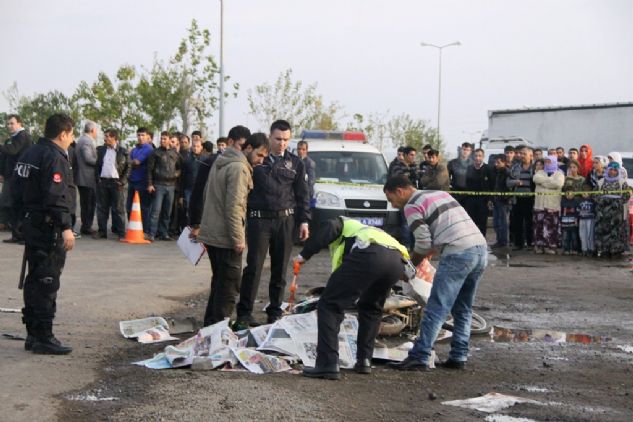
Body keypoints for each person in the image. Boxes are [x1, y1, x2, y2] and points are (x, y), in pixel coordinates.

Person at [383, 176, 487, 371]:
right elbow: (445, 229)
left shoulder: (412, 206)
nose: (393, 205)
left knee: (436, 307)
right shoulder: (440, 194)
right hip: (480, 249)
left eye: (391, 200)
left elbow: (422, 243)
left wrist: (409, 268)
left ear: (400, 191)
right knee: (463, 308)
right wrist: (428, 253)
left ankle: (420, 356)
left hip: (458, 253)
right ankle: (458, 356)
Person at [297, 216, 410, 379]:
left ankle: (327, 364)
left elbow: (330, 226)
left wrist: (303, 255)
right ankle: (364, 360)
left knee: (329, 306)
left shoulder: (342, 223)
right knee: (371, 307)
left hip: (370, 254)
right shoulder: (367, 232)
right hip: (396, 261)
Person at [11, 113, 76, 354]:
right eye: (71, 134)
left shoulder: (29, 153)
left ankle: (33, 334)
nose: (71, 139)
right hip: (48, 228)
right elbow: (55, 196)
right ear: (63, 134)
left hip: (31, 224)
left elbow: (13, 190)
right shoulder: (53, 156)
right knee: (47, 281)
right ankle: (44, 337)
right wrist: (66, 227)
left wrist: (18, 222)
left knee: (34, 280)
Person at [235, 120, 310, 327]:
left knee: (280, 269)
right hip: (259, 220)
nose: (282, 143)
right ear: (270, 137)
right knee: (254, 268)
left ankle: (275, 310)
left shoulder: (296, 163)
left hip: (285, 221)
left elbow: (302, 195)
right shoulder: (256, 159)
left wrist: (304, 221)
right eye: (278, 139)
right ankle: (244, 312)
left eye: (286, 140)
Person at [196, 133, 270, 326]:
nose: (261, 161)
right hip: (225, 237)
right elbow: (235, 206)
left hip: (213, 233)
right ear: (248, 148)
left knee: (219, 284)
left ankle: (211, 327)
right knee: (228, 287)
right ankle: (218, 332)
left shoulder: (222, 161)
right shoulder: (239, 168)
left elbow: (206, 195)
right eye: (259, 155)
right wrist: (238, 238)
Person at [189, 125, 251, 234]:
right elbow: (198, 193)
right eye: (241, 145)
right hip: (213, 224)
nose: (244, 150)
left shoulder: (246, 164)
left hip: (234, 226)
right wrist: (196, 223)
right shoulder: (212, 162)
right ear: (230, 142)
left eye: (246, 147)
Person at [1, 114, 33, 243]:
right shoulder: (12, 138)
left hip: (21, 176)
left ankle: (23, 234)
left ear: (20, 124)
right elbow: (5, 156)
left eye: (12, 123)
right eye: (8, 123)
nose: (9, 126)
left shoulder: (22, 136)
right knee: (12, 205)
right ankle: (16, 234)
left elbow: (13, 151)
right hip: (11, 176)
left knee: (20, 206)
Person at [94, 129, 129, 240]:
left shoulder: (123, 151)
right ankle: (102, 231)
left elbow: (129, 167)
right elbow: (97, 166)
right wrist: (97, 179)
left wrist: (123, 181)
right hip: (103, 182)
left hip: (116, 183)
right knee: (102, 208)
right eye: (105, 136)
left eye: (108, 136)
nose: (105, 138)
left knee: (119, 209)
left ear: (115, 138)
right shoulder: (101, 150)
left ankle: (121, 233)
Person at [146, 131, 182, 241]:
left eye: (165, 139)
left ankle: (164, 233)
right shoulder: (155, 153)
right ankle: (151, 233)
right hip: (158, 185)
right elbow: (149, 170)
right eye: (161, 138)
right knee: (155, 211)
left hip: (171, 186)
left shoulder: (175, 154)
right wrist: (150, 184)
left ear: (170, 140)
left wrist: (175, 174)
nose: (162, 141)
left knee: (167, 211)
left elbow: (180, 168)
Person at [594, 162, 630, 258]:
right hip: (603, 211)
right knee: (604, 230)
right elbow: (594, 194)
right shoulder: (601, 182)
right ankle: (604, 250)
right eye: (611, 169)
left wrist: (618, 202)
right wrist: (601, 201)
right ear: (607, 170)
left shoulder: (622, 182)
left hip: (616, 212)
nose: (612, 172)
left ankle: (616, 250)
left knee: (616, 232)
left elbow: (627, 195)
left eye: (615, 170)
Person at [532, 155, 564, 254]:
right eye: (546, 162)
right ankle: (539, 246)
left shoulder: (559, 174)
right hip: (540, 205)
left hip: (552, 206)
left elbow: (558, 184)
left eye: (549, 162)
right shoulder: (539, 172)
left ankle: (551, 247)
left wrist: (544, 183)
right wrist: (550, 182)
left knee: (552, 227)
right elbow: (536, 179)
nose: (547, 164)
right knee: (539, 226)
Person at [507, 146, 535, 250]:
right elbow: (508, 182)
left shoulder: (535, 168)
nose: (521, 156)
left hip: (531, 199)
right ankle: (518, 244)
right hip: (517, 199)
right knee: (517, 222)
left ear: (530, 156)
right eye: (521, 154)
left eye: (524, 154)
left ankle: (530, 243)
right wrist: (516, 182)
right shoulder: (515, 167)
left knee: (530, 222)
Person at [127, 127, 154, 233]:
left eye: (143, 135)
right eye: (138, 135)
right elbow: (130, 161)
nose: (140, 137)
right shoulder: (135, 149)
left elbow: (136, 162)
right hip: (132, 181)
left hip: (143, 182)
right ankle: (132, 228)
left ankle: (145, 231)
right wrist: (130, 160)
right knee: (129, 207)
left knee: (143, 208)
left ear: (148, 137)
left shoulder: (148, 149)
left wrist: (130, 160)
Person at [74, 120, 98, 236]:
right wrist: (101, 162)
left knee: (87, 203)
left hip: (84, 177)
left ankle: (86, 225)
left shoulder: (83, 140)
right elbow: (88, 158)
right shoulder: (87, 141)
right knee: (88, 203)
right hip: (87, 177)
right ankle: (86, 226)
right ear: (93, 130)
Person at [464, 148, 493, 236]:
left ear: (483, 157)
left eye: (480, 156)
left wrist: (490, 199)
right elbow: (466, 183)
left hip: (483, 200)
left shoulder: (488, 168)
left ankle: (482, 242)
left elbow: (492, 184)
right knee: (471, 222)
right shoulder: (469, 168)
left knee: (482, 223)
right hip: (470, 200)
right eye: (476, 156)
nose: (477, 158)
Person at [179, 136, 206, 226]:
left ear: (201, 147)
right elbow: (182, 178)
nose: (195, 148)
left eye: (198, 146)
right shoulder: (187, 160)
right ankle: (188, 228)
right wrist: (181, 195)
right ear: (191, 147)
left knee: (200, 211)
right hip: (189, 189)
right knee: (188, 210)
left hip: (202, 190)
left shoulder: (206, 160)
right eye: (194, 146)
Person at [492, 155, 511, 248]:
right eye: (495, 162)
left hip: (503, 201)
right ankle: (499, 240)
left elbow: (510, 187)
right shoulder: (498, 172)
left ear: (504, 163)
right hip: (496, 200)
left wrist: (506, 198)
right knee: (496, 222)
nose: (496, 164)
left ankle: (503, 242)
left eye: (498, 162)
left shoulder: (506, 172)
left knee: (503, 222)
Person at [448, 142, 473, 208]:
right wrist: (449, 188)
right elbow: (447, 177)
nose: (465, 152)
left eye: (467, 150)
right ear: (461, 150)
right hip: (456, 192)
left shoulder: (473, 163)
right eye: (464, 149)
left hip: (469, 193)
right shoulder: (452, 163)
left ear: (470, 152)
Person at [560, 187, 580, 255]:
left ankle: (574, 249)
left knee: (574, 237)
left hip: (573, 223)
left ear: (574, 194)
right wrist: (560, 220)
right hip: (565, 223)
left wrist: (577, 220)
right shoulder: (562, 202)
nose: (569, 195)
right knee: (565, 237)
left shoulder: (576, 202)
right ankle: (566, 249)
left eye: (571, 194)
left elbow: (577, 212)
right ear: (565, 194)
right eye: (567, 194)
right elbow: (561, 212)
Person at [296, 140, 316, 207]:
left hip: (305, 196)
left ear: (307, 150)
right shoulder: (295, 160)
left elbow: (311, 181)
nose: (301, 151)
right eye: (299, 149)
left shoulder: (309, 163)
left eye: (303, 149)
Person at [577, 190, 596, 256]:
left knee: (590, 234)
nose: (584, 194)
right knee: (582, 234)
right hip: (582, 219)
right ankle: (584, 249)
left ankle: (591, 249)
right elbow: (577, 210)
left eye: (586, 193)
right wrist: (577, 218)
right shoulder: (579, 201)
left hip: (590, 219)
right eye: (583, 193)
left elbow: (595, 210)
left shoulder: (592, 201)